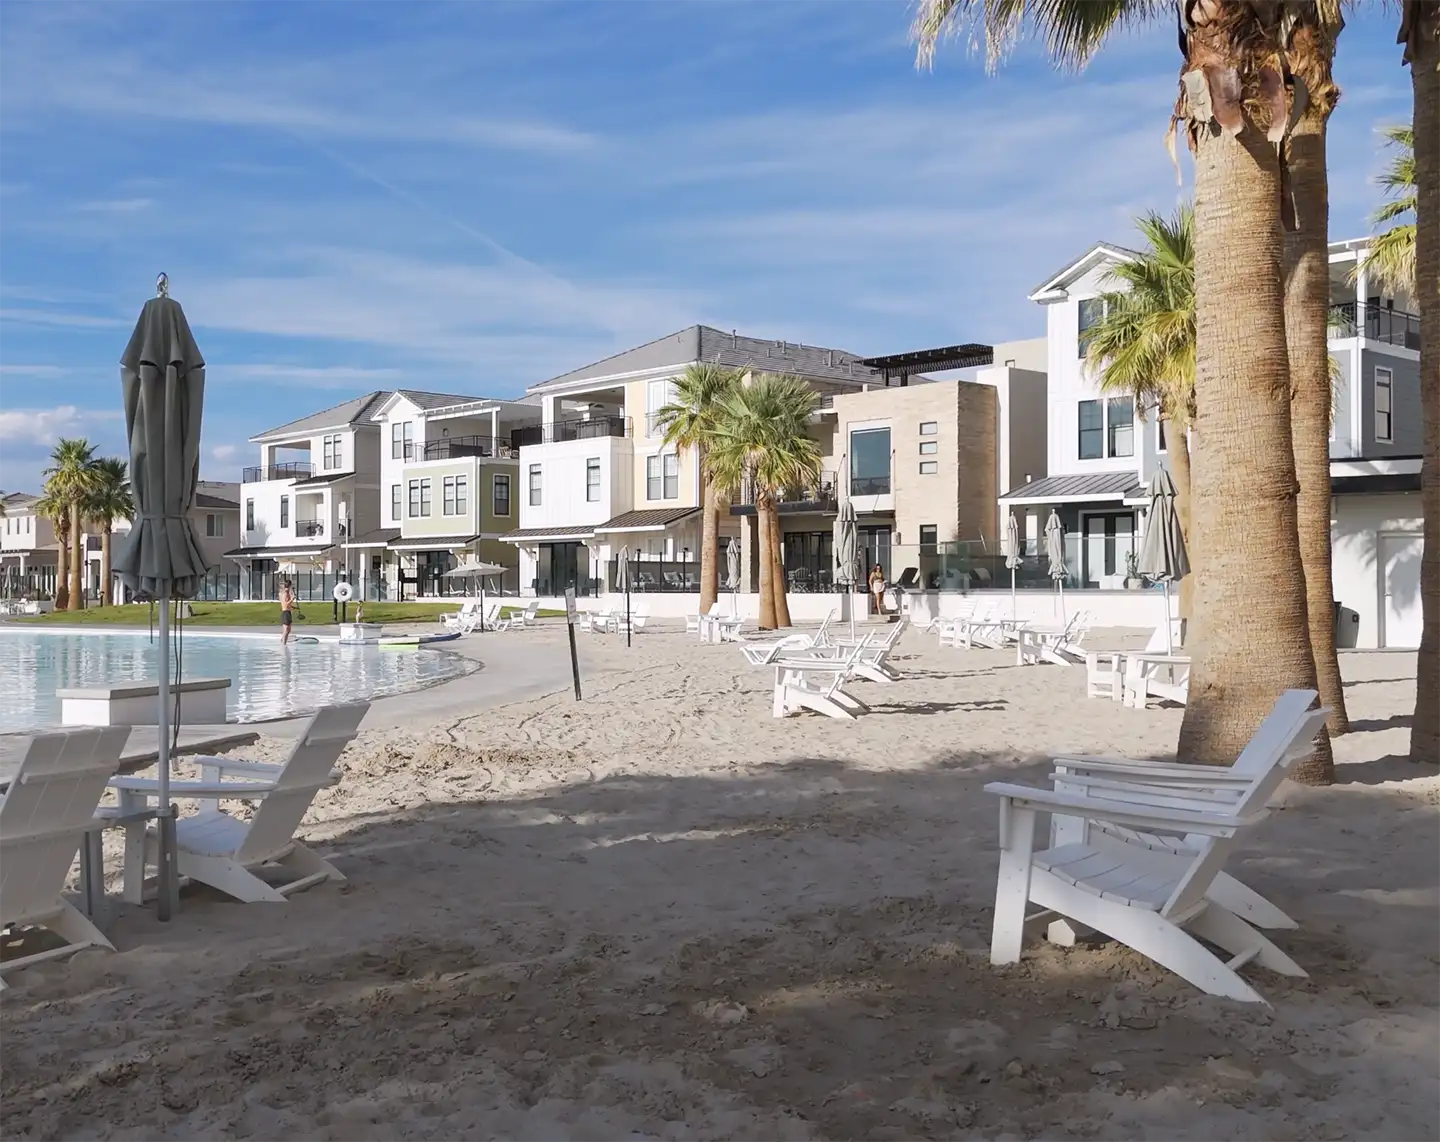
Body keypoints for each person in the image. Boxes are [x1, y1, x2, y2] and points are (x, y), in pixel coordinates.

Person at [279, 578, 295, 644]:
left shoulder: (284, 593)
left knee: (288, 629)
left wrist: (292, 607)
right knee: (287, 629)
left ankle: (283, 641)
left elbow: (285, 604)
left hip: (286, 612)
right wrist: (292, 599)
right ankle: (284, 643)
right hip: (286, 613)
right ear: (290, 586)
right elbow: (286, 604)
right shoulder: (285, 593)